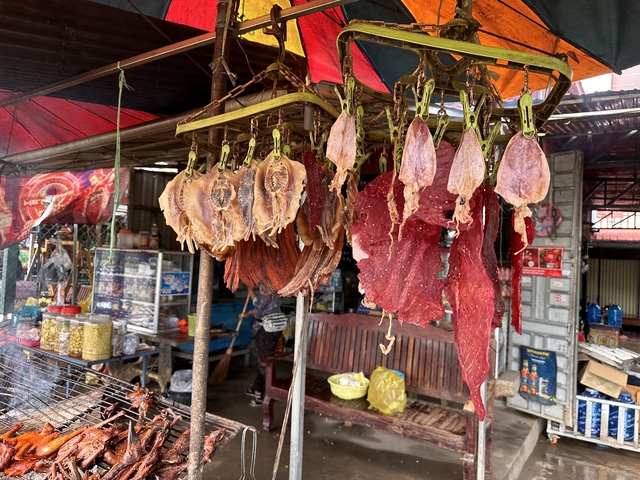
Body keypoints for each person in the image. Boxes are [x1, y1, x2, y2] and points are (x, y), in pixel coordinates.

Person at [242, 285, 283, 406]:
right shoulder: (273, 291)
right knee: (263, 358)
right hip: (274, 329)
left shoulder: (266, 291)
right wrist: (248, 313)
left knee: (265, 361)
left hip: (267, 331)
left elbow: (259, 311)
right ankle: (256, 387)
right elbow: (261, 307)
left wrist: (250, 290)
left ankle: (264, 395)